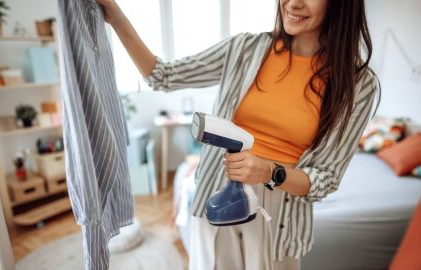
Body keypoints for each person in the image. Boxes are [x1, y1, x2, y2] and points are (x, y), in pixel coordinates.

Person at [96, 0, 380, 269]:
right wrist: (117, 17)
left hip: (280, 209)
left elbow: (325, 179)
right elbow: (162, 75)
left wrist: (269, 172)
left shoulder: (358, 85)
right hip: (218, 189)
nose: (293, 3)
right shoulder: (245, 49)